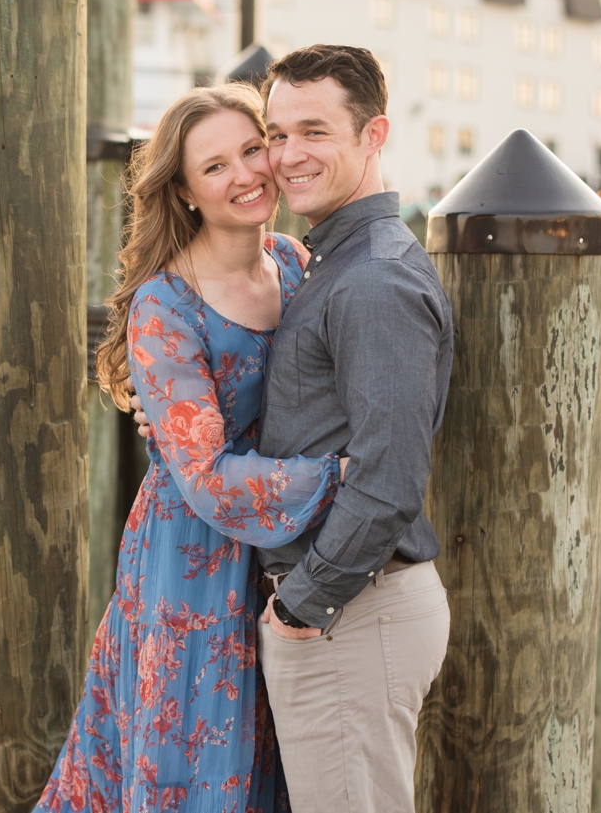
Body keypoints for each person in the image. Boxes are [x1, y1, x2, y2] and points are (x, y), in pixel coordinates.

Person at [34, 82, 344, 812]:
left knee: (276, 750)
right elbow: (202, 474)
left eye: (251, 149)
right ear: (182, 189)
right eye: (214, 166)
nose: (244, 174)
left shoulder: (296, 264)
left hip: (283, 552)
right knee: (194, 753)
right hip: (192, 556)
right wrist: (339, 477)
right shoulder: (165, 305)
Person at [253, 45, 453, 812]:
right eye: (276, 134)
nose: (288, 155)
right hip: (345, 611)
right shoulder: (331, 260)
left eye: (314, 131)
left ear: (374, 135)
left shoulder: (372, 278)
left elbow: (389, 474)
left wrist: (306, 600)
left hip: (350, 613)